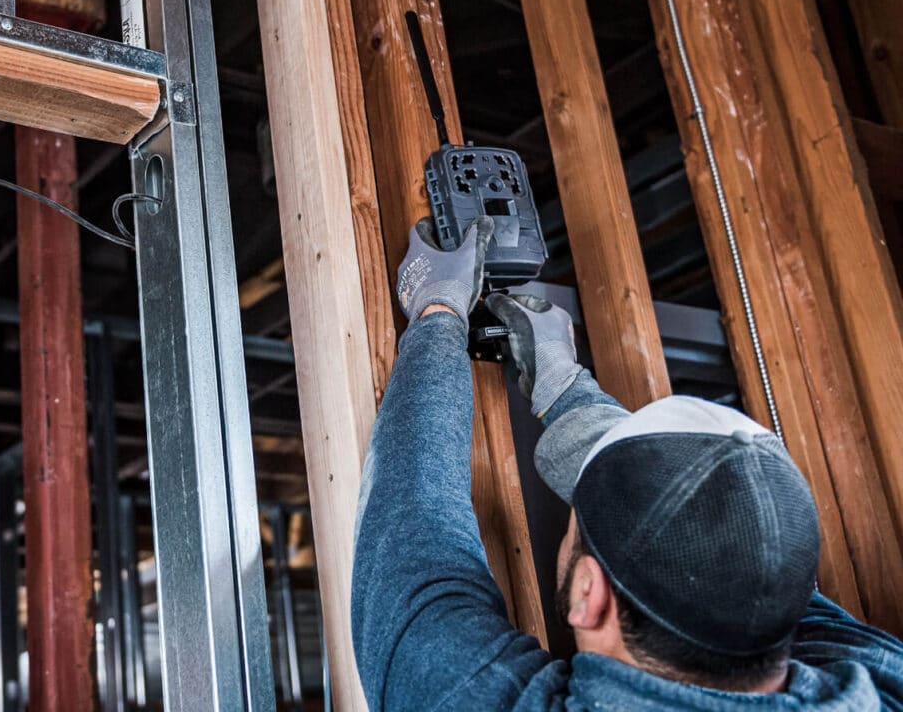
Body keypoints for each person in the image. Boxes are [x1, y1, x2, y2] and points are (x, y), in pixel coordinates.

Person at [352, 216, 903, 711]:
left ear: (589, 596)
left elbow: (413, 533)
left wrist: (437, 309)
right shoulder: (883, 682)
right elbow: (726, 555)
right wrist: (564, 388)